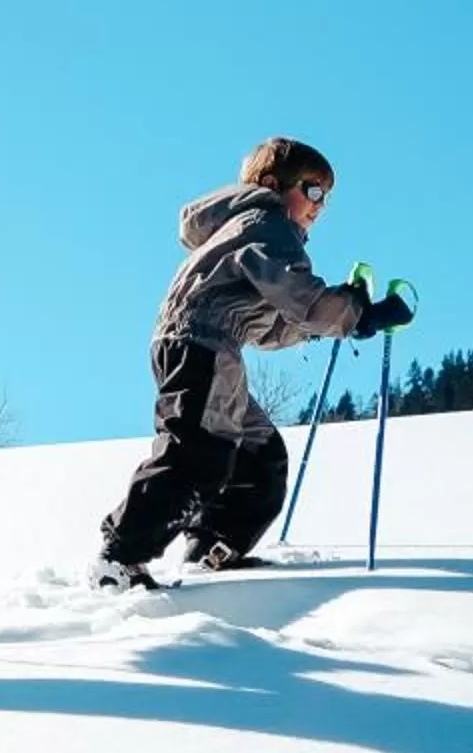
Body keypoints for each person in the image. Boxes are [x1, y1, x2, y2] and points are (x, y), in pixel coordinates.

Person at [93, 136, 411, 589]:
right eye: (312, 190)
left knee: (258, 454)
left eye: (326, 196)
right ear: (272, 184)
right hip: (202, 345)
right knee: (197, 453)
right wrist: (358, 313)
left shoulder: (247, 230)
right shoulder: (266, 223)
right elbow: (302, 298)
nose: (319, 205)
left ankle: (214, 547)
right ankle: (120, 557)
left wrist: (337, 320)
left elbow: (270, 326)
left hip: (210, 346)